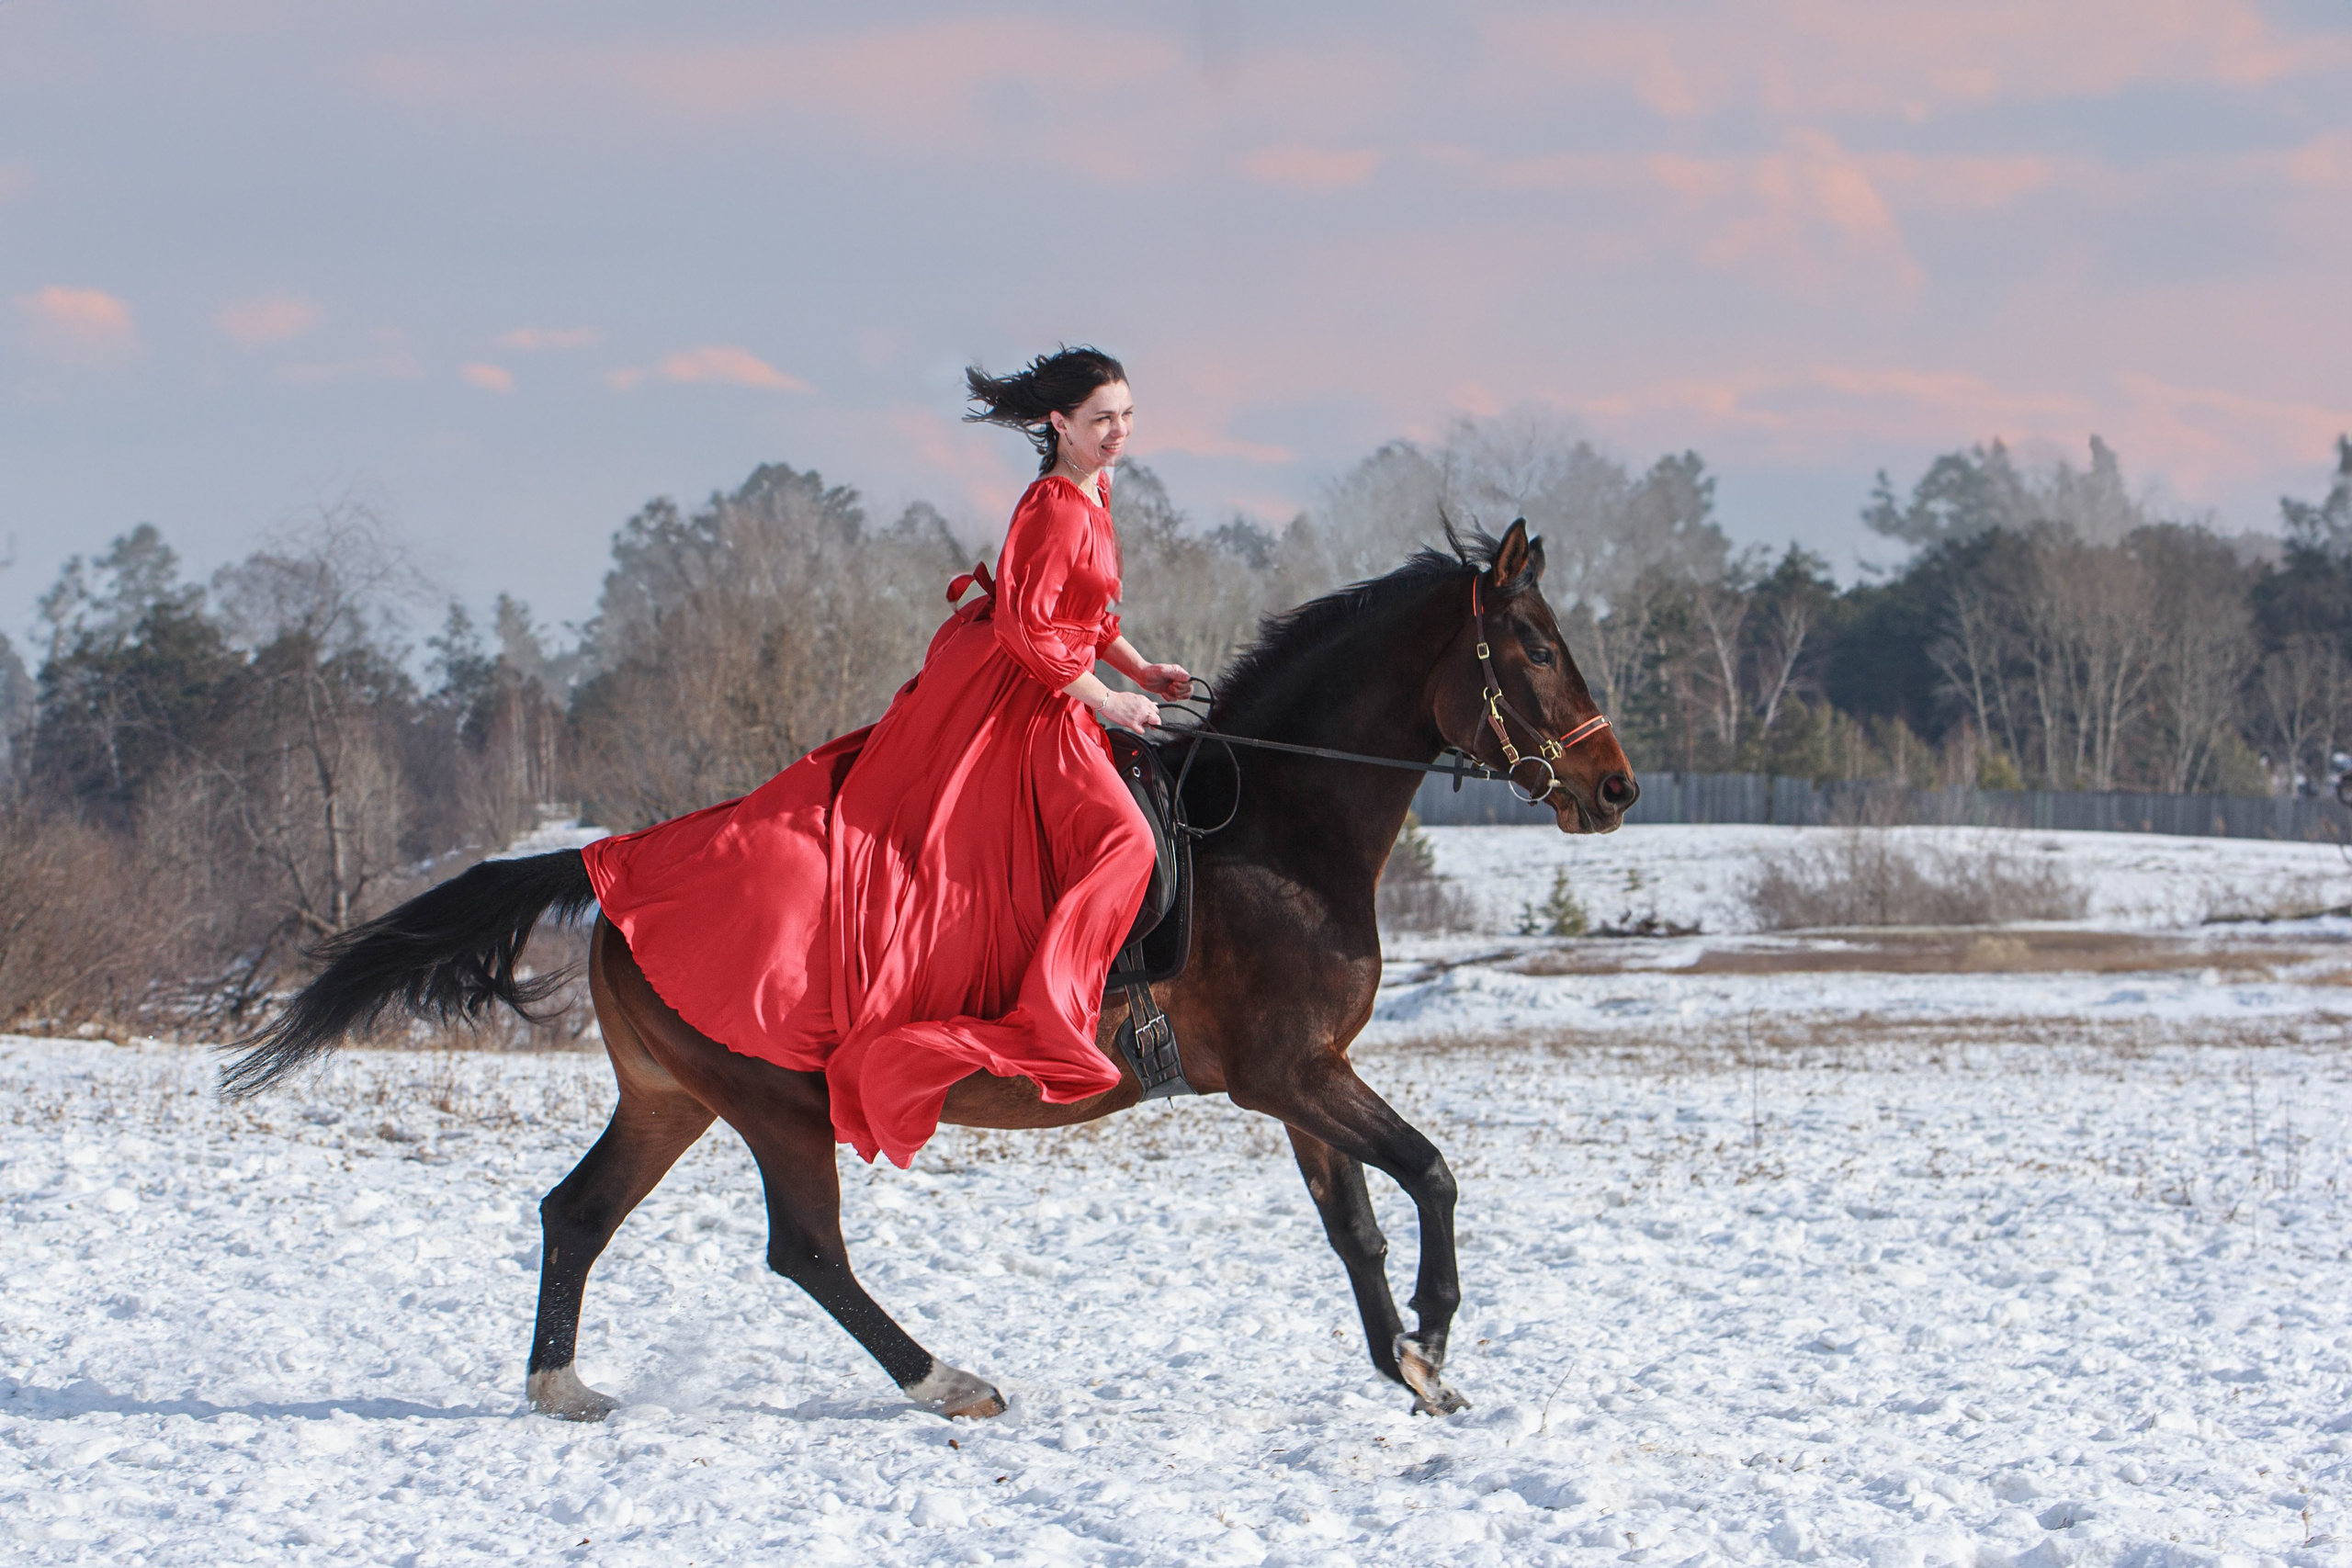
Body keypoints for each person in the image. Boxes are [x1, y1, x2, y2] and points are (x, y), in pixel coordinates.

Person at [581, 346, 1190, 1166]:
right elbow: (1027, 629)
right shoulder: (1050, 503)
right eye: (1100, 420)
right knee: (1127, 842)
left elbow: (1081, 611)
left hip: (1061, 683)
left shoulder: (1094, 488)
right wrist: (1107, 699)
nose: (1117, 433)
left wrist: (1139, 667)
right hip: (1026, 700)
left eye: (1125, 417)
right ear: (1058, 425)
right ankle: (1051, 1019)